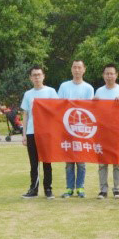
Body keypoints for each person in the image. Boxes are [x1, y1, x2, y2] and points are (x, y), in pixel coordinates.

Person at [20, 65, 59, 199]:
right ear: (30, 78)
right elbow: (25, 115)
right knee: (34, 162)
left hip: (46, 132)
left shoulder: (51, 92)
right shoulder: (28, 94)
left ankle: (48, 189)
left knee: (47, 161)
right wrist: (24, 134)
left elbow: (57, 110)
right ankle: (33, 189)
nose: (37, 77)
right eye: (34, 75)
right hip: (32, 132)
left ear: (43, 76)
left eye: (39, 75)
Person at [58, 60, 94, 199]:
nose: (77, 70)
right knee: (69, 161)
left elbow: (90, 108)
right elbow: (58, 105)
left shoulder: (88, 88)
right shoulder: (64, 86)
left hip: (82, 130)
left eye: (79, 67)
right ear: (71, 69)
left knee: (81, 161)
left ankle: (80, 187)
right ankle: (69, 188)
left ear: (84, 69)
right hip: (66, 128)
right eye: (74, 67)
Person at [94, 63, 119, 199]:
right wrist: (93, 103)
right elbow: (94, 112)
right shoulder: (99, 91)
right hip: (102, 131)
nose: (109, 76)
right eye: (107, 74)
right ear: (103, 75)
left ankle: (117, 189)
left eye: (111, 73)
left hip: (117, 131)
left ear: (116, 75)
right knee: (102, 162)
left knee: (117, 162)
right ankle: (103, 190)